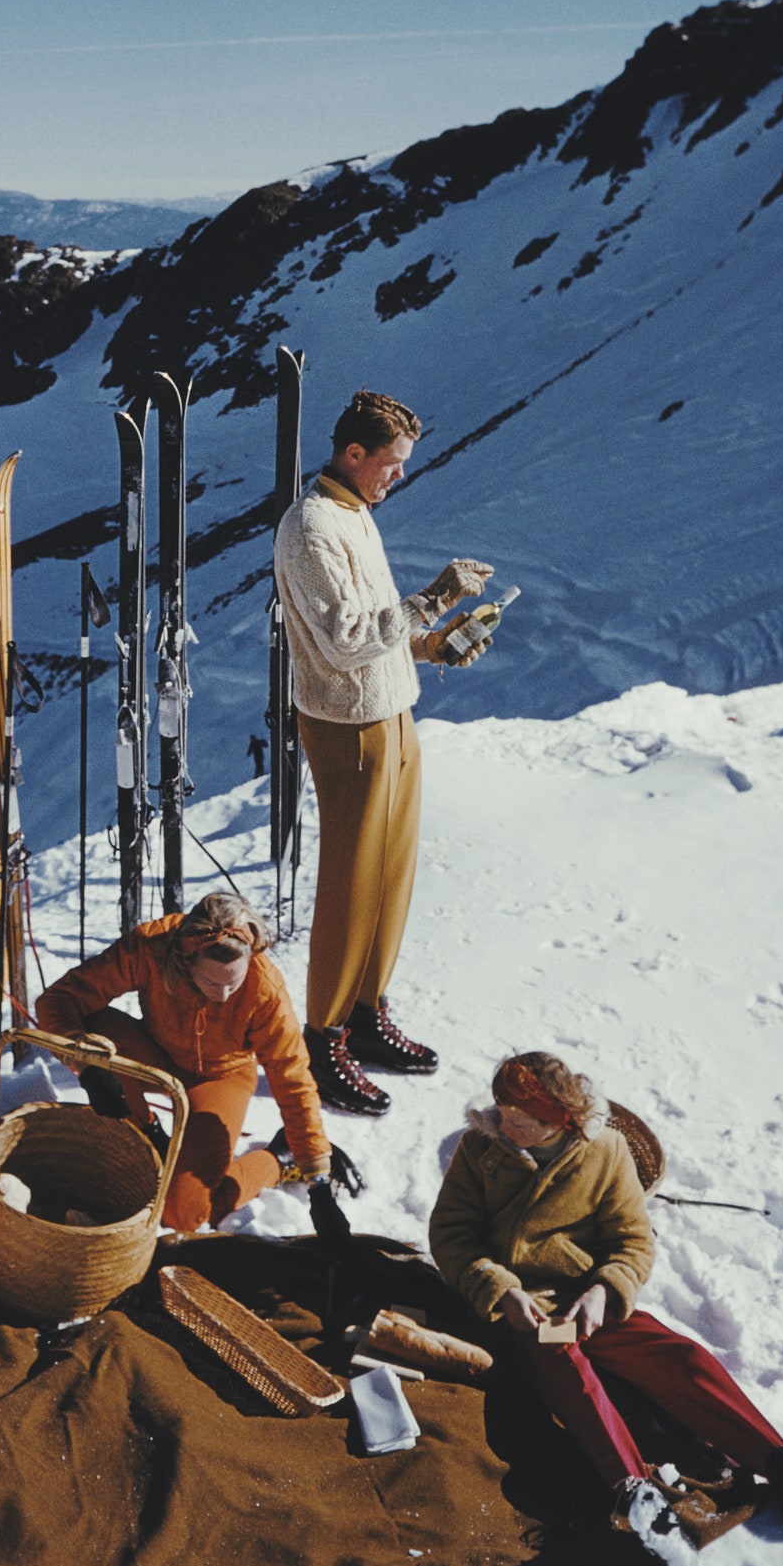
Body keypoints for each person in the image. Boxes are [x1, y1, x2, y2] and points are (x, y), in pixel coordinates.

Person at [429, 1050, 783, 1566]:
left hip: (588, 1300)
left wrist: (605, 1289)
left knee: (678, 1355)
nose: (506, 1125)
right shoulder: (481, 1149)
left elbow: (633, 1241)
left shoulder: (606, 1151)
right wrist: (500, 1288)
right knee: (568, 1366)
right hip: (524, 1309)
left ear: (562, 1120)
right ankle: (637, 1497)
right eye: (502, 1111)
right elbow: (451, 1235)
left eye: (522, 1119)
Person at [273, 386, 492, 1116]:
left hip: (391, 712)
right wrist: (431, 601)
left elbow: (376, 632)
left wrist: (435, 644)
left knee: (390, 875)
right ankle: (323, 1035)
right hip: (349, 724)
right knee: (350, 880)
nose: (398, 476)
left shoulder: (353, 514)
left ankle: (365, 1013)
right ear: (353, 453)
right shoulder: (310, 528)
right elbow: (344, 640)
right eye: (391, 464)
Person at [34, 890, 358, 1239]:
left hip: (222, 1076)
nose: (222, 995)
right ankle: (146, 1134)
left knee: (183, 1213)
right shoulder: (152, 947)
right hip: (158, 1055)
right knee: (95, 1024)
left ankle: (278, 1158)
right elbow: (59, 999)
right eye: (210, 982)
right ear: (186, 962)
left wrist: (319, 1185)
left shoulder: (265, 988)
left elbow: (292, 1077)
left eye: (234, 981)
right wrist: (85, 1065)